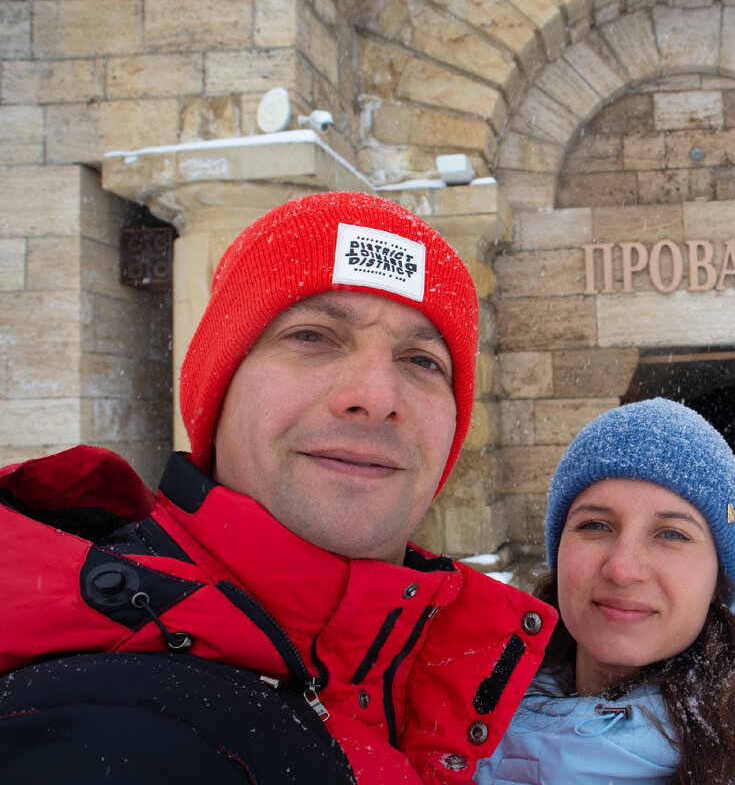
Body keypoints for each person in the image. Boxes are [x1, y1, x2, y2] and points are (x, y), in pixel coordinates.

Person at [0, 192, 554, 783]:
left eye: (421, 360)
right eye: (313, 336)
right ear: (220, 388)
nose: (377, 396)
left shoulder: (492, 694)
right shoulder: (108, 724)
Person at [475, 398, 735, 785]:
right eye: (596, 526)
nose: (622, 568)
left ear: (717, 582)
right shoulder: (448, 693)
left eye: (672, 533)